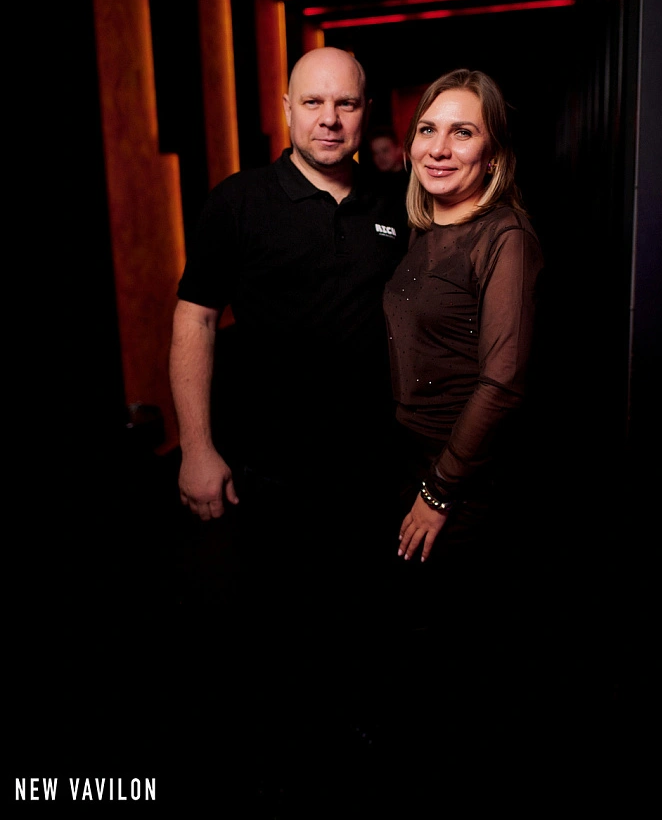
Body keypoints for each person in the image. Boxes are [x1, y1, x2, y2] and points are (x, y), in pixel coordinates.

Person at [168, 46, 408, 779]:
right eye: (313, 103)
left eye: (345, 104)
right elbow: (194, 320)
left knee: (366, 622)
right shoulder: (237, 202)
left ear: (366, 113)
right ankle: (279, 769)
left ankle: (359, 752)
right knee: (273, 630)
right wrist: (195, 447)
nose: (329, 119)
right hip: (269, 470)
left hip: (373, 467)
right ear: (286, 109)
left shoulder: (395, 204)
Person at [383, 68, 544, 666]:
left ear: (492, 152)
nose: (439, 148)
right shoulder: (423, 231)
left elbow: (503, 384)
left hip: (461, 479)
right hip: (408, 462)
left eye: (463, 132)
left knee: (453, 646)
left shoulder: (506, 236)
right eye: (428, 129)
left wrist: (439, 491)